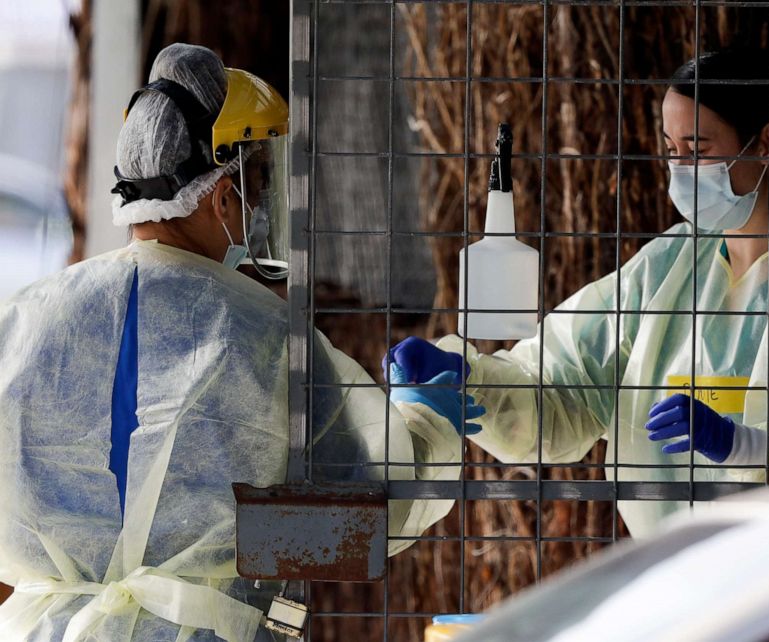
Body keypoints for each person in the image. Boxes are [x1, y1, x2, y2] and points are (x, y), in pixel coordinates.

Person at [0, 43, 481, 641]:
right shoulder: (264, 335)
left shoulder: (22, 324)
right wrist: (427, 421)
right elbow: (373, 518)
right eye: (249, 184)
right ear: (223, 196)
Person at [386, 49, 769, 538]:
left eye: (697, 149)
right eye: (670, 149)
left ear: (768, 144)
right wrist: (469, 378)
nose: (680, 169)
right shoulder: (670, 264)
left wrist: (744, 446)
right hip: (669, 574)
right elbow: (564, 388)